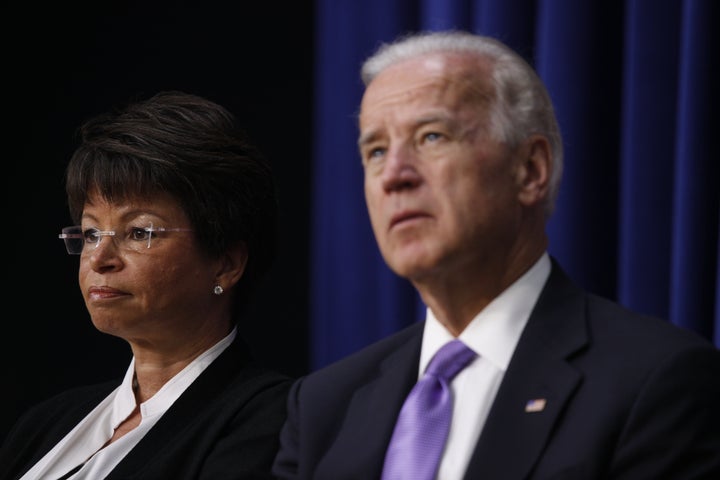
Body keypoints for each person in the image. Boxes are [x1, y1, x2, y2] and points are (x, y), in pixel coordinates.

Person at [272, 30, 720, 479]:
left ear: (530, 170)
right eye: (376, 150)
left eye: (431, 137)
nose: (393, 176)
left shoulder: (654, 382)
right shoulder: (323, 408)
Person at [0, 91, 293, 479]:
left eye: (139, 232)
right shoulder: (45, 423)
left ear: (226, 263)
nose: (100, 258)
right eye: (90, 233)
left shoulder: (273, 419)